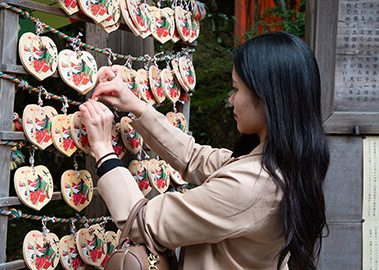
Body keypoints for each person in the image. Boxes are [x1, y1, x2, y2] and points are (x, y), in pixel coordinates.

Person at [79, 32, 330, 270]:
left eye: (236, 89)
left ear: (267, 99)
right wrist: (135, 106)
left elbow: (142, 222)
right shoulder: (283, 165)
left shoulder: (251, 185)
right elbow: (194, 158)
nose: (231, 99)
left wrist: (103, 150)